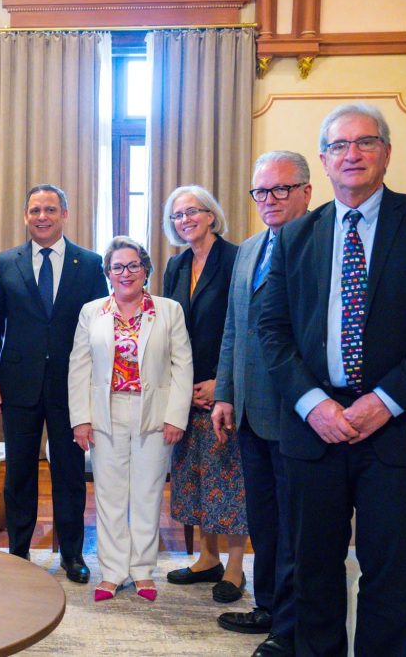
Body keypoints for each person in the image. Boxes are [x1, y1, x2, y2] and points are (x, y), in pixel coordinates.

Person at [259, 103, 406, 656]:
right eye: (339, 145)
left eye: (366, 142)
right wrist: (311, 404)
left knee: (389, 578)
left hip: (400, 429)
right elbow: (271, 330)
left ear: (387, 153)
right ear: (323, 160)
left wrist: (385, 400)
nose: (352, 154)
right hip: (314, 431)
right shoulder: (295, 236)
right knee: (314, 576)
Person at [212, 151, 312, 657]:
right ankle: (269, 607)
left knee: (298, 528)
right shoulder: (250, 250)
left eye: (280, 190)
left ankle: (292, 628)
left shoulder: (320, 244)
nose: (268, 201)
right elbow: (234, 328)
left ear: (305, 193)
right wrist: (226, 394)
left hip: (300, 415)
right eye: (260, 192)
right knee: (265, 521)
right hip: (250, 413)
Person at [0, 184, 107, 583]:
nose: (42, 216)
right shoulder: (7, 262)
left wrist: (95, 384)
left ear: (65, 214)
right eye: (35, 210)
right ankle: (19, 552)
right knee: (19, 471)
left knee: (69, 473)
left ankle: (72, 553)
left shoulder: (89, 265)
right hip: (17, 384)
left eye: (50, 209)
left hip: (70, 386)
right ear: (26, 216)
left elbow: (101, 328)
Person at [68, 236, 192, 602]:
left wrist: (176, 417)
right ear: (107, 273)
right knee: (108, 495)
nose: (126, 273)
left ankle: (142, 571)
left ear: (146, 270)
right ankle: (113, 572)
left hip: (153, 413)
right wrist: (80, 419)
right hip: (105, 412)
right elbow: (79, 367)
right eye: (118, 267)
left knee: (147, 492)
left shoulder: (169, 311)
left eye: (133, 265)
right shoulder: (92, 312)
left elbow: (182, 366)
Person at [160, 185, 249, 603]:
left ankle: (235, 566)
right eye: (177, 215)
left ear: (211, 215)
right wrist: (180, 388)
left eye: (192, 212)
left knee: (229, 479)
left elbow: (242, 327)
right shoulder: (175, 267)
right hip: (186, 391)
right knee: (196, 476)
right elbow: (169, 333)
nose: (185, 220)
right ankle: (206, 558)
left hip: (223, 389)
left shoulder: (237, 259)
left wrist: (222, 385)